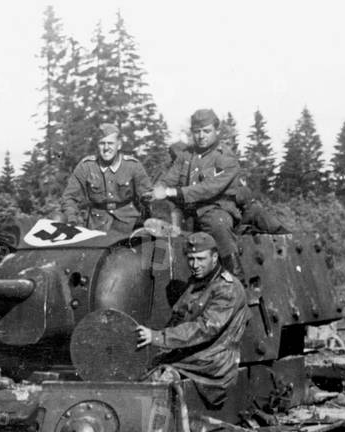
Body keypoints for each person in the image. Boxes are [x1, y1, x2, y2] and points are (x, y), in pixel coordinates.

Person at [135, 232, 248, 407]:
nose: (195, 265)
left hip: (211, 363)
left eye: (201, 259)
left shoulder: (227, 288)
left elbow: (205, 329)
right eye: (191, 259)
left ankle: (155, 431)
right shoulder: (198, 282)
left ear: (215, 257)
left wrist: (158, 337)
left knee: (153, 386)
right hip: (194, 357)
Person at [150, 109, 245, 275]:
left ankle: (236, 280)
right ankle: (162, 273)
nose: (201, 136)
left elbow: (209, 188)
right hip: (186, 211)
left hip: (215, 208)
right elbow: (169, 178)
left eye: (206, 131)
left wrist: (174, 192)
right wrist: (158, 189)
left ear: (217, 131)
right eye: (197, 132)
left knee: (218, 225)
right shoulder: (186, 155)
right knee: (157, 221)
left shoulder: (226, 158)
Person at [60, 123, 152, 234]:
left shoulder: (133, 166)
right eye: (102, 143)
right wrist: (72, 219)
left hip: (129, 223)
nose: (106, 148)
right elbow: (69, 197)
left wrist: (148, 199)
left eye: (110, 143)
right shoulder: (86, 166)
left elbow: (147, 194)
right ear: (97, 145)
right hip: (97, 225)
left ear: (119, 145)